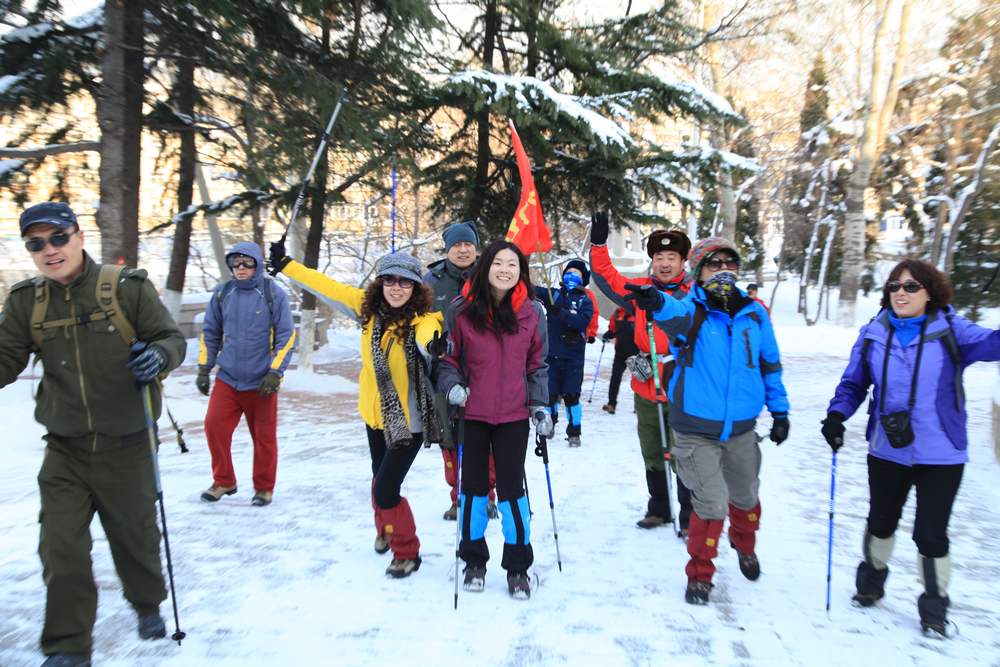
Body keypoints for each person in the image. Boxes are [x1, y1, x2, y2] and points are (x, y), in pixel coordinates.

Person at [0, 202, 186, 666]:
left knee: (135, 538)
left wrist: (158, 357)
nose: (49, 250)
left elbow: (171, 339)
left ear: (79, 236)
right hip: (65, 450)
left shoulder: (125, 288)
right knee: (60, 548)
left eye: (58, 237)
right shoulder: (26, 302)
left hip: (128, 446)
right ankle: (67, 646)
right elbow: (5, 360)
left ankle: (147, 603)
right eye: (36, 243)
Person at [822, 259, 999, 637]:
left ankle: (934, 608)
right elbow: (854, 383)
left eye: (911, 287)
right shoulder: (873, 332)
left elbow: (993, 344)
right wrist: (837, 416)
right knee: (881, 521)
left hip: (942, 453)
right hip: (888, 449)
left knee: (930, 534)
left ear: (930, 292)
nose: (900, 293)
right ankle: (871, 583)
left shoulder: (952, 330)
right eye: (894, 287)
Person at [626, 236, 790, 606]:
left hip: (742, 429)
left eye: (728, 264)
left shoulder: (755, 313)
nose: (722, 272)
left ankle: (745, 545)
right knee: (712, 503)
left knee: (746, 496)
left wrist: (780, 411)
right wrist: (656, 301)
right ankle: (700, 573)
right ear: (699, 272)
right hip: (695, 429)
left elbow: (770, 364)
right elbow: (671, 313)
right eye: (713, 265)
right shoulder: (691, 309)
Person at [269, 241, 441, 578]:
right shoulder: (367, 311)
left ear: (416, 287)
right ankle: (386, 528)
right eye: (390, 280)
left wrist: (435, 346)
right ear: (381, 284)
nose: (396, 288)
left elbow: (428, 337)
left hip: (409, 423)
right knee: (380, 478)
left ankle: (407, 552)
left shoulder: (424, 319)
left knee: (384, 489)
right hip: (374, 416)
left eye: (404, 282)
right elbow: (327, 287)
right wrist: (286, 265)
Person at [437, 240, 550, 599]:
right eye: (498, 262)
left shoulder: (532, 313)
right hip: (472, 414)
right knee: (472, 491)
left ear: (521, 271)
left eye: (512, 264)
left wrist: (540, 404)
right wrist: (453, 386)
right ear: (485, 267)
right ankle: (473, 560)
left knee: (513, 493)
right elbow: (447, 361)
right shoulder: (461, 310)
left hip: (514, 416)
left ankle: (518, 567)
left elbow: (537, 365)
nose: (505, 269)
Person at [589, 212, 694, 532]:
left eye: (671, 257)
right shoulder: (639, 290)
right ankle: (659, 507)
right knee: (651, 446)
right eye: (659, 256)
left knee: (685, 450)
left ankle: (690, 514)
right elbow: (606, 276)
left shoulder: (695, 293)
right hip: (646, 380)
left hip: (684, 383)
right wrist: (598, 244)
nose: (664, 263)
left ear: (682, 260)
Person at [197, 241, 295, 507]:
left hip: (261, 380)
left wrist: (275, 372)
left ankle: (264, 488)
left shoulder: (272, 293)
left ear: (257, 264)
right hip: (228, 378)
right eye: (235, 263)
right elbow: (210, 332)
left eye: (247, 263)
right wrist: (204, 368)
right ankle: (224, 480)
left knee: (263, 437)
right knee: (214, 425)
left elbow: (287, 335)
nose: (240, 268)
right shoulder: (222, 293)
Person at [423, 220, 498, 521]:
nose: (463, 249)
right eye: (457, 245)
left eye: (468, 244)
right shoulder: (430, 281)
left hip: (485, 371)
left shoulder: (490, 275)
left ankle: (487, 496)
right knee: (450, 440)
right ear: (447, 248)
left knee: (486, 437)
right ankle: (458, 498)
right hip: (443, 372)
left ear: (476, 247)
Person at [536, 259, 594, 447]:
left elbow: (581, 322)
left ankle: (574, 431)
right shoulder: (554, 295)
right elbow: (533, 290)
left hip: (573, 359)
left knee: (571, 396)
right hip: (551, 355)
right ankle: (550, 424)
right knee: (550, 395)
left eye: (576, 273)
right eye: (569, 272)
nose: (571, 276)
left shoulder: (585, 300)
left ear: (582, 279)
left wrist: (558, 312)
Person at [601, 304, 639, 414]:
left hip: (636, 353)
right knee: (615, 378)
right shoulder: (618, 313)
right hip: (620, 352)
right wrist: (608, 334)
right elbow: (613, 330)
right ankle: (611, 404)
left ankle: (639, 405)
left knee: (639, 380)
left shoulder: (640, 312)